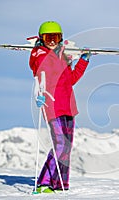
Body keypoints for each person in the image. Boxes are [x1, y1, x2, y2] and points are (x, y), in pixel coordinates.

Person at [29, 21, 90, 193]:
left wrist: (82, 61)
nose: (52, 41)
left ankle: (60, 183)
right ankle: (44, 182)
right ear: (41, 39)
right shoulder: (39, 54)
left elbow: (71, 80)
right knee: (61, 144)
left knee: (67, 146)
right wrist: (63, 54)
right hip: (52, 105)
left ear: (60, 38)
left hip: (69, 105)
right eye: (48, 38)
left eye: (55, 37)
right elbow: (39, 71)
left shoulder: (62, 55)